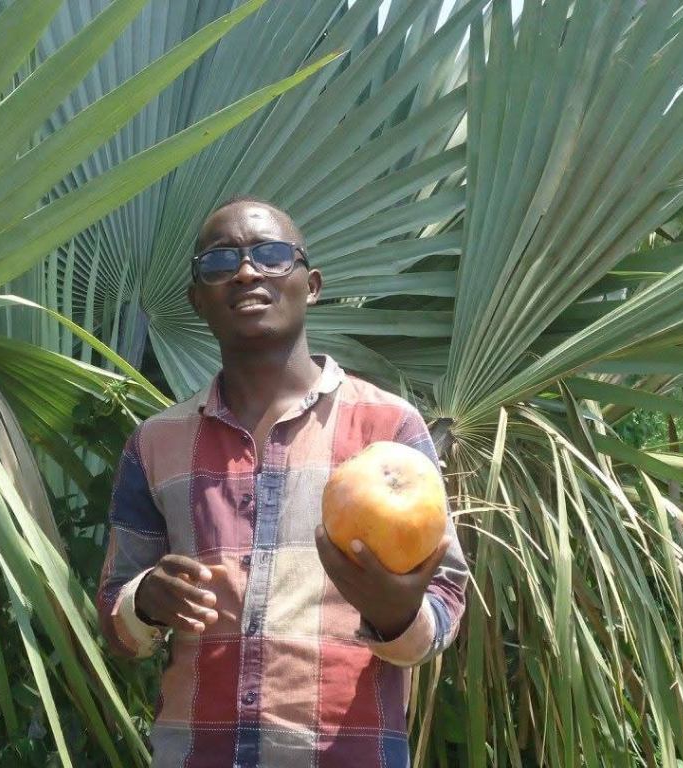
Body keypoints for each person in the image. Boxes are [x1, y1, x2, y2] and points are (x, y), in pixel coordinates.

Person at [96, 197, 468, 768]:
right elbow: (114, 624)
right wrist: (145, 602)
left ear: (311, 284)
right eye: (220, 263)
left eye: (270, 255)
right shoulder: (154, 443)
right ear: (198, 299)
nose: (246, 271)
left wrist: (396, 613)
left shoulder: (388, 430)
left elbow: (444, 603)